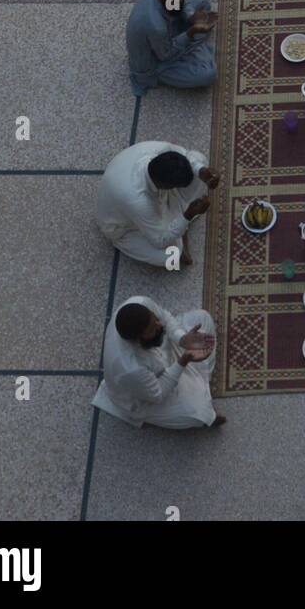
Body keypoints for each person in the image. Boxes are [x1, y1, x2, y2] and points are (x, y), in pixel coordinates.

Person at [92, 296, 226, 430]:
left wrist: (182, 339)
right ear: (137, 340)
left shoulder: (139, 303)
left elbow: (165, 318)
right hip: (146, 390)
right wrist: (183, 360)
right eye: (152, 329)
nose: (159, 325)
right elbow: (157, 394)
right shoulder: (130, 368)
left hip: (164, 351)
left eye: (155, 319)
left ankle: (199, 382)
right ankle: (199, 385)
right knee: (199, 412)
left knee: (202, 318)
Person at [97, 139, 218, 268]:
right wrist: (188, 215)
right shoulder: (138, 201)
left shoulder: (160, 151)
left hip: (151, 201)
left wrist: (202, 172)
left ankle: (177, 221)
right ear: (166, 185)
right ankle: (179, 221)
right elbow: (159, 241)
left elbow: (188, 157)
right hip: (126, 226)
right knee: (172, 256)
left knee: (200, 160)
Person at [125, 0, 218, 96]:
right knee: (208, 75)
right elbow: (166, 55)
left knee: (202, 1)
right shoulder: (156, 26)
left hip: (169, 31)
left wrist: (191, 16)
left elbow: (181, 5)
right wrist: (191, 32)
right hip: (156, 64)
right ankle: (196, 48)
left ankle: (196, 43)